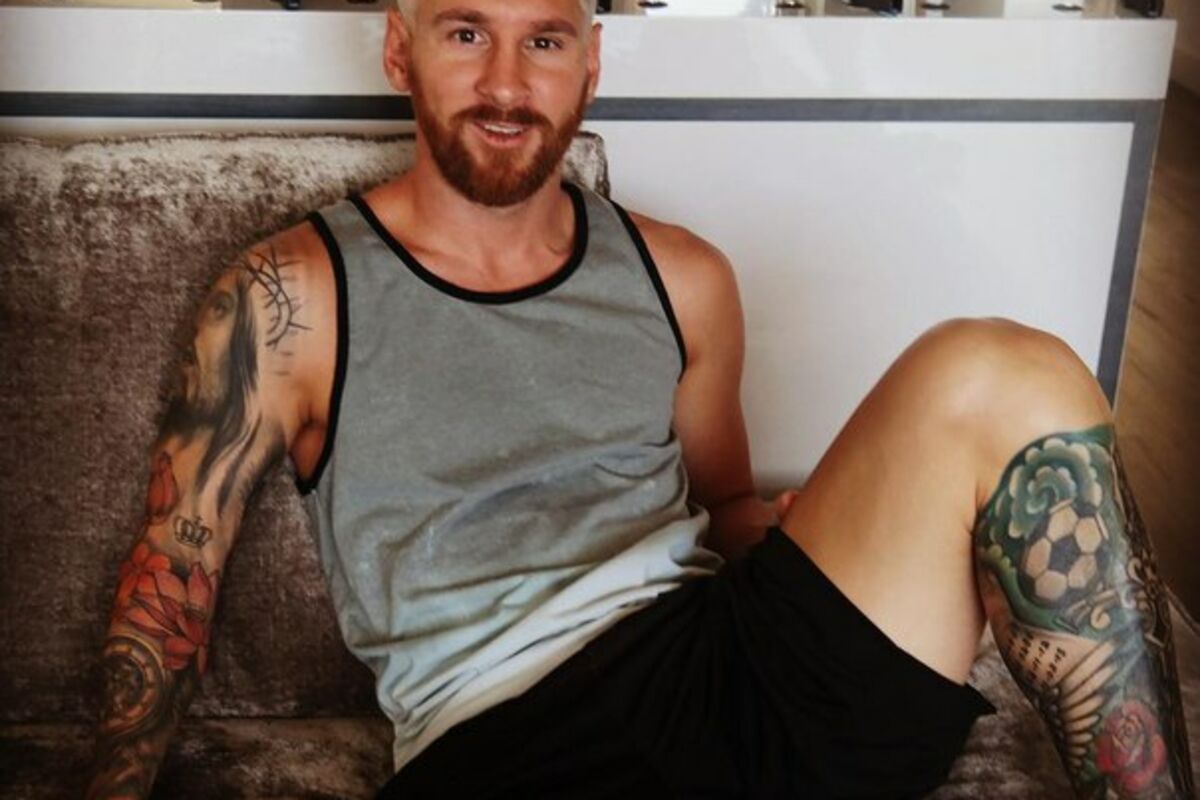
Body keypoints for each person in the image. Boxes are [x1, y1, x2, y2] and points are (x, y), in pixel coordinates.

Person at [85, 0, 1196, 797]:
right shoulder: (289, 296)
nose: (507, 83)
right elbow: (169, 588)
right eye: (466, 32)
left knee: (1007, 367)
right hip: (504, 734)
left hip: (725, 663)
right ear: (399, 48)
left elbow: (723, 510)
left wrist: (825, 524)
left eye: (545, 40)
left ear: (590, 64)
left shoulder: (684, 275)